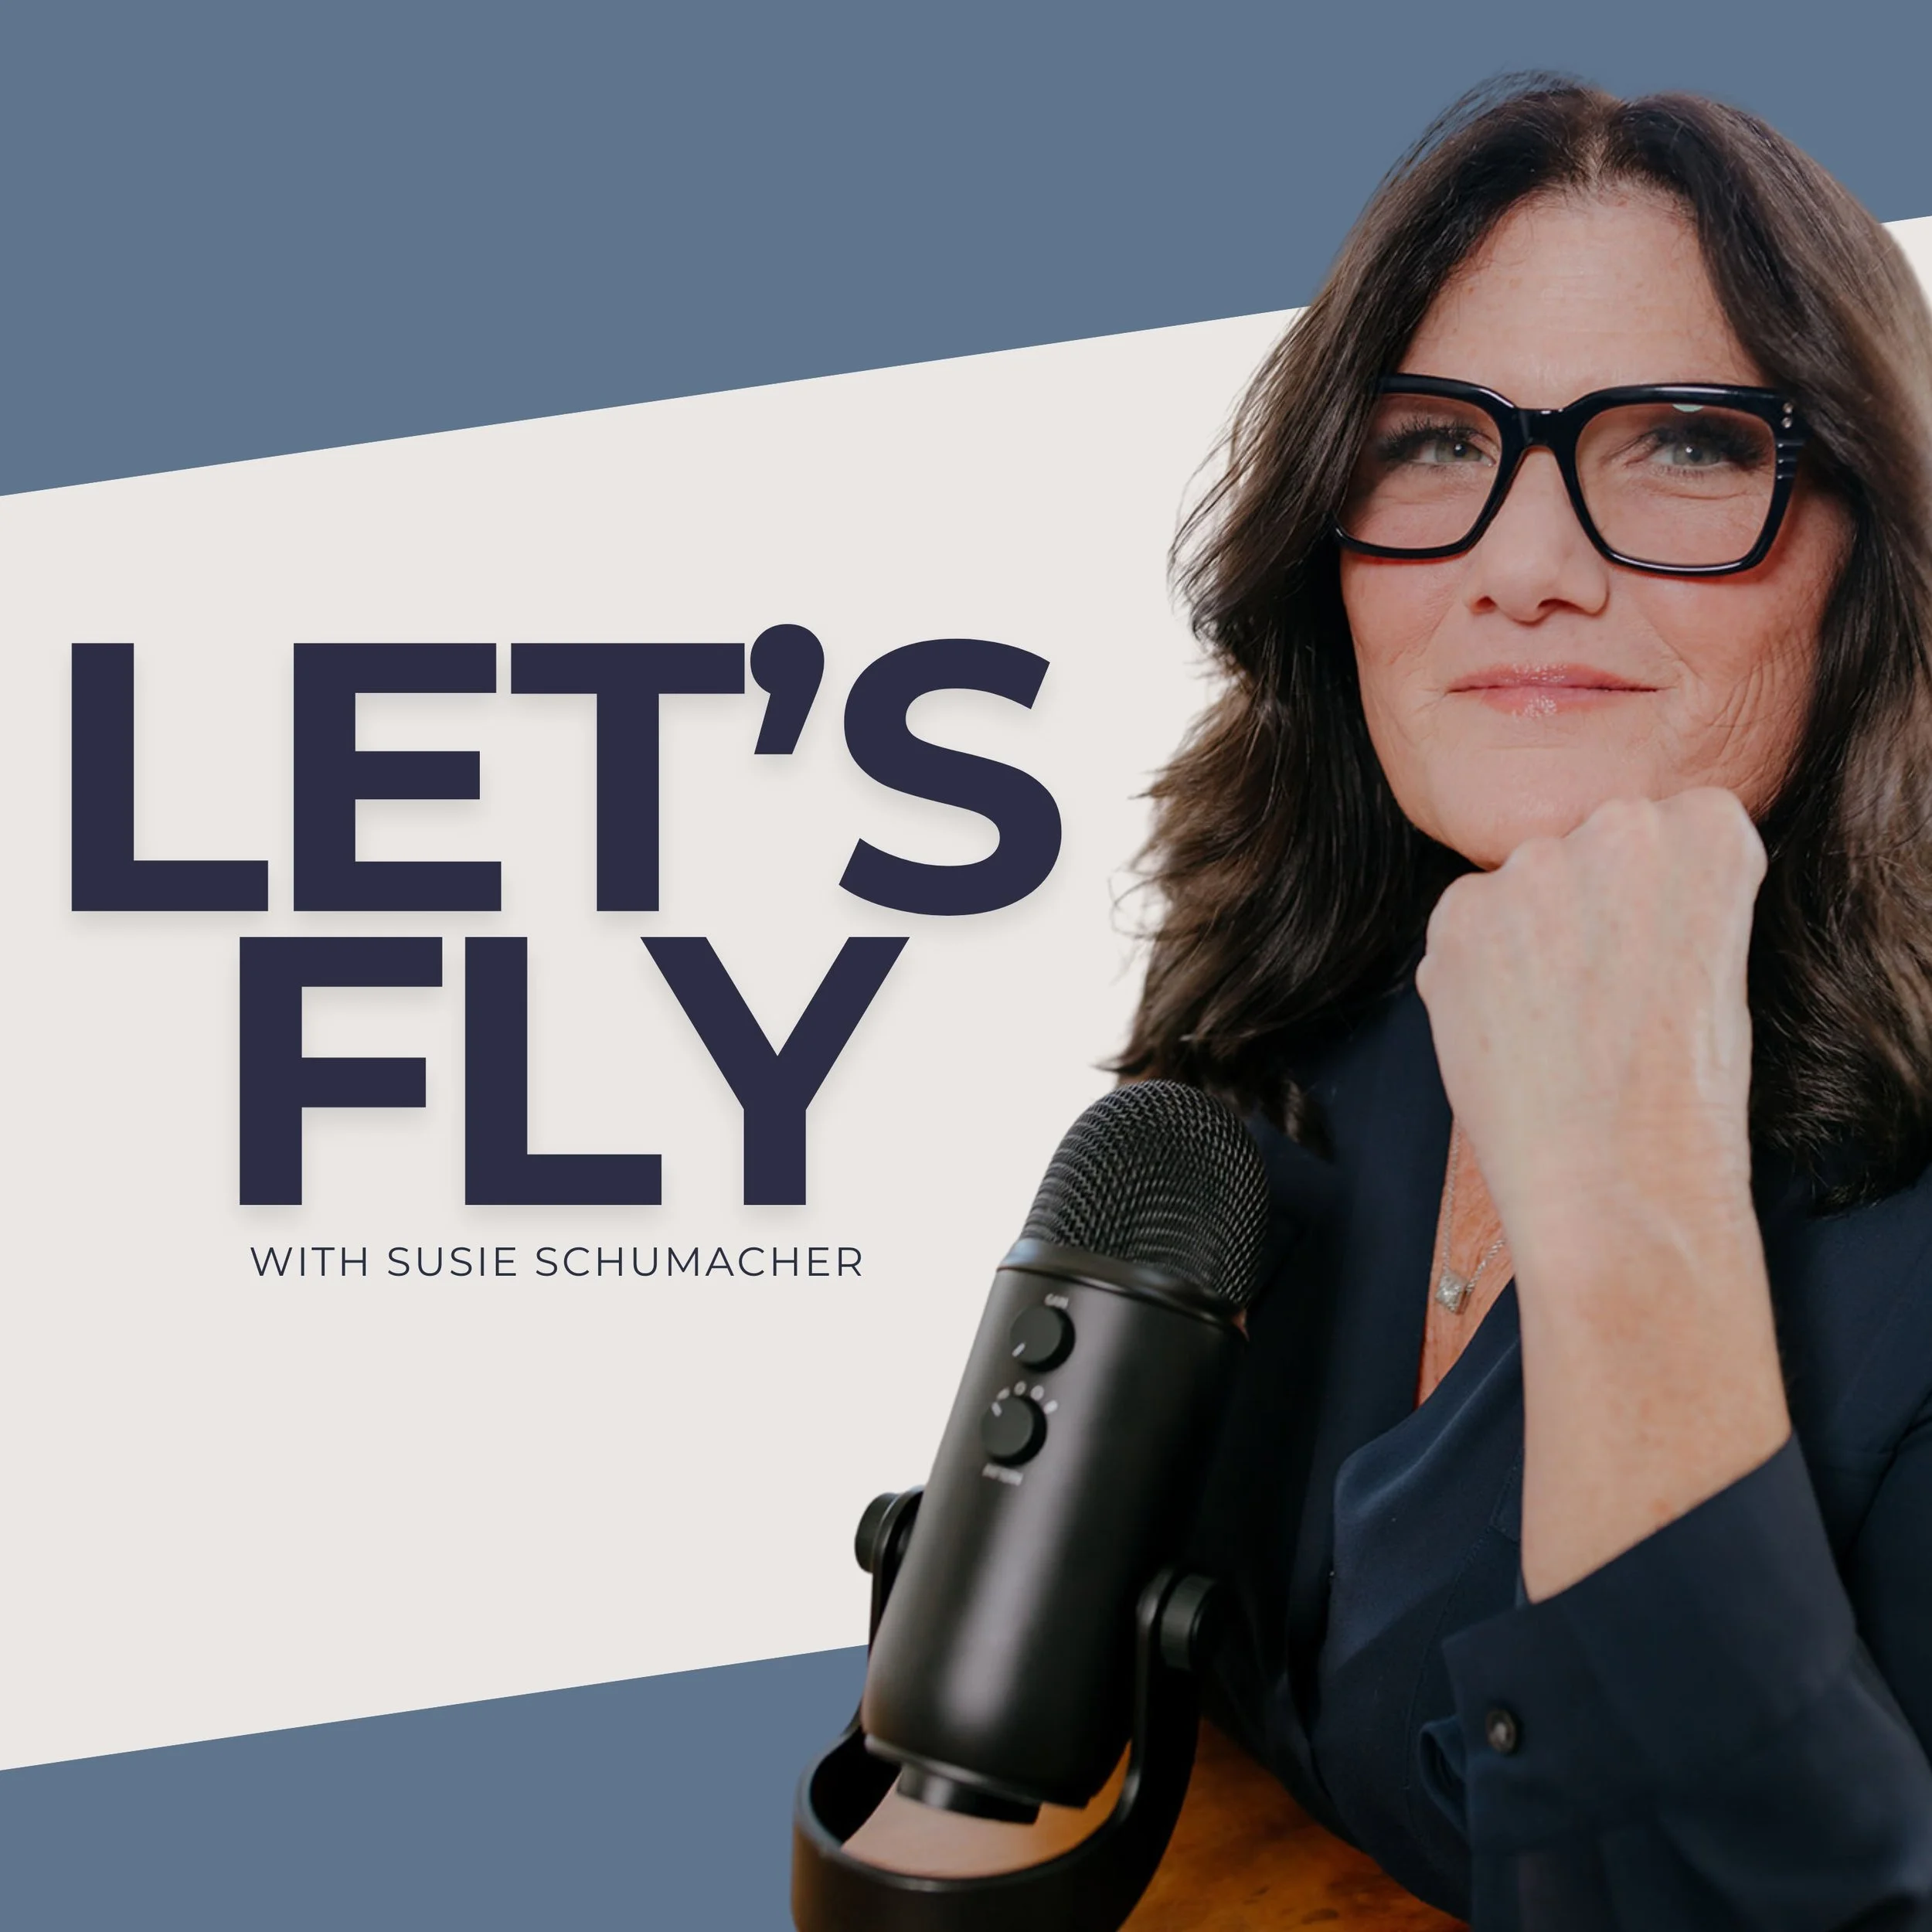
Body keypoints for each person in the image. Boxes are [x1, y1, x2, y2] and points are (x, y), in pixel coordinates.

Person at [1114, 76, 1932, 1930]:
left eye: (1687, 447)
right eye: (1425, 445)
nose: (1526, 566)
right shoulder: (1292, 1047)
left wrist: (1627, 1209)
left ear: (1863, 551)